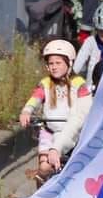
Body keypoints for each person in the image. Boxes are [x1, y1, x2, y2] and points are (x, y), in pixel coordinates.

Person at [19, 40, 91, 182]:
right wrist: (26, 111)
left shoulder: (79, 84)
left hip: (73, 134)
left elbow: (87, 107)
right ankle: (41, 197)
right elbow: (35, 98)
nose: (54, 67)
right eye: (51, 64)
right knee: (45, 168)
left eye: (58, 63)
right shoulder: (45, 83)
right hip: (49, 132)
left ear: (69, 63)